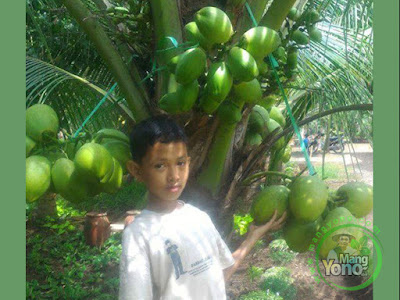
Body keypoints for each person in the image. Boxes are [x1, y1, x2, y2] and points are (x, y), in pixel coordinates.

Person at [119, 115, 286, 299]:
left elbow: (219, 275)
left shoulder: (199, 218)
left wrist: (252, 236)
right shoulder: (138, 235)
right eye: (160, 166)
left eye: (180, 163)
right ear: (136, 170)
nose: (174, 175)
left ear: (189, 163)